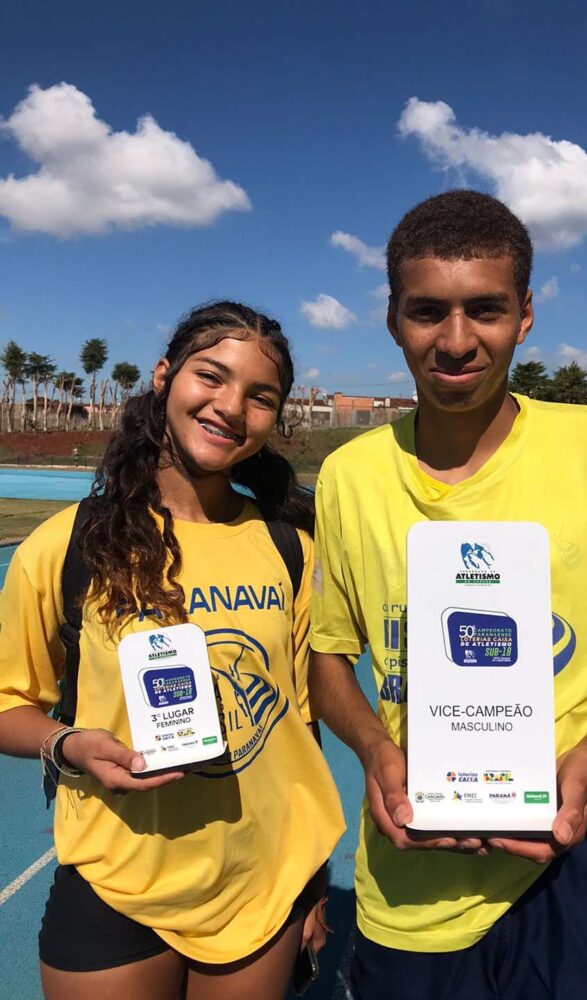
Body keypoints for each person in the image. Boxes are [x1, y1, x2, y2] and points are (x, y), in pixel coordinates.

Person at [309, 191, 587, 999]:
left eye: (485, 309)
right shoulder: (349, 477)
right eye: (427, 311)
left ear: (525, 314)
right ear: (393, 319)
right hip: (415, 879)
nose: (456, 340)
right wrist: (374, 751)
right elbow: (327, 658)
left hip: (581, 853)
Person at [0, 301, 344, 1000]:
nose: (231, 407)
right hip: (116, 880)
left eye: (260, 397)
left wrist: (311, 881)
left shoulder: (290, 550)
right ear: (164, 377)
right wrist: (70, 746)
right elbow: (9, 705)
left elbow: (300, 729)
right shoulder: (69, 545)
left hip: (261, 884)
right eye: (211, 376)